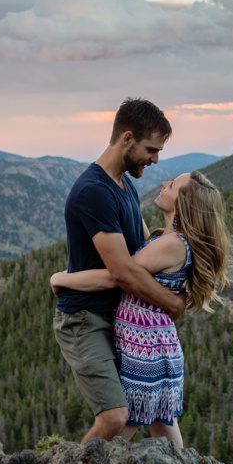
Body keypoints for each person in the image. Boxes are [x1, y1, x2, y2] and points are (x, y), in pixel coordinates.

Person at [51, 170, 230, 448]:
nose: (164, 184)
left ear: (183, 205)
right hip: (157, 345)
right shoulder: (170, 241)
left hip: (145, 347)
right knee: (161, 420)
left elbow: (117, 275)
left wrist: (61, 279)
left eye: (171, 185)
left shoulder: (171, 244)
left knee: (123, 426)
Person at [53, 97, 184, 444]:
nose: (155, 159)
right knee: (114, 417)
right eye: (151, 149)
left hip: (117, 318)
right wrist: (172, 305)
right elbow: (123, 271)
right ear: (127, 138)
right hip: (85, 318)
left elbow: (144, 250)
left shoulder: (126, 186)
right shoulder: (93, 191)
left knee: (147, 406)